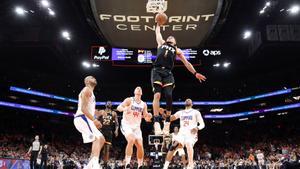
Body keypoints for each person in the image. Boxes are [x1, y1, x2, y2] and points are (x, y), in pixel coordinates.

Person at [152, 15, 207, 136]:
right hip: (157, 70)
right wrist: (158, 23)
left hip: (168, 73)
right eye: (169, 36)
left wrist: (195, 73)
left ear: (175, 42)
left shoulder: (177, 50)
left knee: (169, 95)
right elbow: (157, 32)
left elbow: (186, 63)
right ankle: (156, 123)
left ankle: (167, 123)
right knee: (157, 94)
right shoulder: (161, 43)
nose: (170, 36)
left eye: (173, 37)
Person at [163, 99, 205, 169]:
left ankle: (191, 165)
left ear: (192, 104)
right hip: (182, 134)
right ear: (185, 103)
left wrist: (197, 128)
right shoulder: (181, 112)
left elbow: (202, 124)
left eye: (190, 100)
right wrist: (165, 116)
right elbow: (171, 118)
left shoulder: (196, 112)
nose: (188, 100)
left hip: (191, 134)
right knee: (173, 145)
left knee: (188, 143)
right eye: (187, 100)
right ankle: (165, 166)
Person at [73, 76, 105, 169]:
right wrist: (94, 119)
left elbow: (90, 110)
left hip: (86, 118)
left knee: (101, 139)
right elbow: (83, 109)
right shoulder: (87, 89)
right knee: (96, 139)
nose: (94, 78)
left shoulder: (91, 93)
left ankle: (89, 165)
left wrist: (99, 113)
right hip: (82, 118)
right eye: (91, 77)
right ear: (86, 81)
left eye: (94, 77)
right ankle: (95, 165)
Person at [117, 86, 152, 169]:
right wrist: (125, 109)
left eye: (140, 88)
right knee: (131, 139)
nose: (139, 88)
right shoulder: (129, 100)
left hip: (136, 127)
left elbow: (146, 117)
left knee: (140, 145)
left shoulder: (144, 104)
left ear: (141, 93)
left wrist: (149, 116)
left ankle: (140, 165)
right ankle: (127, 164)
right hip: (126, 124)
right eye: (137, 88)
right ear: (134, 92)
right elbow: (118, 108)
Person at [96, 101, 119, 168]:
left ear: (111, 105)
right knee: (99, 148)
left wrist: (116, 130)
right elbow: (96, 121)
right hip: (101, 131)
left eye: (110, 103)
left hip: (109, 132)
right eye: (108, 103)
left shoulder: (114, 113)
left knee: (107, 149)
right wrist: (96, 129)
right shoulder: (101, 112)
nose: (109, 104)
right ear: (105, 104)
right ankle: (96, 161)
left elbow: (117, 123)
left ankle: (105, 164)